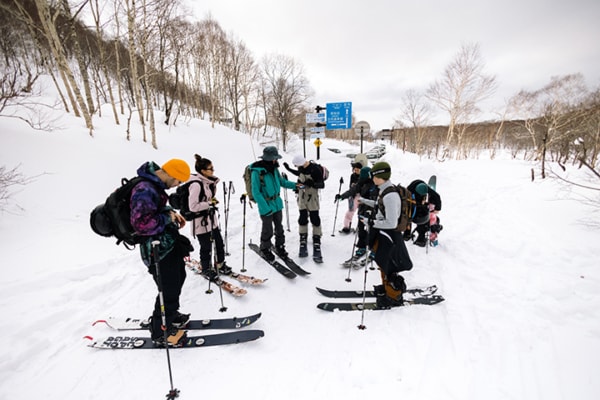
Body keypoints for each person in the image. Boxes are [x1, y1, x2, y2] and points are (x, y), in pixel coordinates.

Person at [130, 159, 194, 346]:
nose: (177, 186)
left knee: (178, 277)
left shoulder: (154, 187)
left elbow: (156, 209)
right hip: (155, 249)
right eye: (178, 181)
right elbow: (141, 224)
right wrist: (167, 217)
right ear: (170, 174)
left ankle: (171, 315)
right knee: (168, 287)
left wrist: (171, 213)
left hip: (167, 244)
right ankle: (160, 330)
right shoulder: (144, 189)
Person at [358, 161, 412, 308]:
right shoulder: (385, 190)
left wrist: (370, 222)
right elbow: (379, 206)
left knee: (388, 265)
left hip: (390, 236)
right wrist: (363, 201)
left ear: (379, 176)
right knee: (383, 264)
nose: (371, 178)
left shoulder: (390, 196)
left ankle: (393, 296)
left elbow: (392, 223)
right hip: (384, 234)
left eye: (373, 176)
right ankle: (387, 288)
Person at [249, 146, 300, 262]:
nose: (276, 160)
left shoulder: (274, 169)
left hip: (277, 203)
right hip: (265, 205)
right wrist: (265, 208)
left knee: (279, 227)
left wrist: (296, 185)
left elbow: (282, 182)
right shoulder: (257, 172)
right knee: (268, 229)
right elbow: (256, 192)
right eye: (275, 158)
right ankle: (265, 248)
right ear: (270, 158)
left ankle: (280, 246)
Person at [187, 154, 232, 281]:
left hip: (211, 220)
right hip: (200, 222)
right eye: (210, 169)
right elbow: (193, 206)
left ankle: (220, 264)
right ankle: (206, 268)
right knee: (206, 247)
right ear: (202, 171)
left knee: (219, 243)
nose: (213, 171)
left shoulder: (207, 182)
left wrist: (211, 201)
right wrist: (209, 203)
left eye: (213, 168)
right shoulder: (196, 185)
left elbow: (205, 199)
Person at [283, 155, 325, 258]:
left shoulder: (315, 169)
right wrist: (289, 169)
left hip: (312, 197)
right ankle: (303, 235)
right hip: (302, 197)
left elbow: (322, 185)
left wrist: (313, 184)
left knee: (315, 218)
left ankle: (316, 236)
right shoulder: (301, 168)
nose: (297, 167)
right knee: (302, 218)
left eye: (296, 165)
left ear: (302, 162)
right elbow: (299, 173)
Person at [335, 166, 377, 263]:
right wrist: (342, 196)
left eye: (363, 176)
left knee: (373, 230)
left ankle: (374, 248)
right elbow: (352, 190)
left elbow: (376, 199)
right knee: (361, 229)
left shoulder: (374, 184)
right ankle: (362, 246)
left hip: (372, 211)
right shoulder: (361, 182)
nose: (361, 178)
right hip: (362, 210)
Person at [406, 179, 443, 247]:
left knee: (422, 213)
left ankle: (420, 236)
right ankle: (409, 234)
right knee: (412, 214)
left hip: (418, 199)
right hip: (412, 201)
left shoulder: (426, 188)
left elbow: (437, 196)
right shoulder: (409, 191)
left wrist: (438, 208)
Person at [338, 161, 362, 234]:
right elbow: (350, 187)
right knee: (350, 211)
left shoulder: (363, 176)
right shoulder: (353, 176)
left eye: (357, 170)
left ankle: (361, 228)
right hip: (352, 195)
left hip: (361, 196)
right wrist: (352, 186)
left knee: (361, 213)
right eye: (355, 169)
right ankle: (346, 227)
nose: (356, 171)